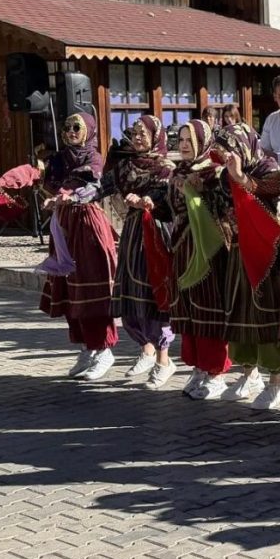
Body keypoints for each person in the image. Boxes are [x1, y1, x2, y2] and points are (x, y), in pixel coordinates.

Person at [82, 115, 176, 383]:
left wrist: (149, 201)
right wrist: (73, 198)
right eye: (134, 133)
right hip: (133, 234)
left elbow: (168, 200)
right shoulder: (125, 167)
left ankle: (164, 360)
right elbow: (101, 187)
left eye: (143, 134)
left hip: (156, 233)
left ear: (156, 137)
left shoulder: (165, 168)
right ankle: (146, 349)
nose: (137, 138)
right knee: (133, 293)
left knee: (153, 291)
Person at [36, 113, 119, 379]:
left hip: (87, 227)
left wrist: (64, 195)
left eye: (77, 128)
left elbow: (86, 180)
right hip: (63, 228)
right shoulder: (57, 160)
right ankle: (87, 348)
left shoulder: (92, 157)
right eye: (67, 127)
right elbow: (46, 185)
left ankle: (104, 349)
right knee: (69, 290)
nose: (71, 132)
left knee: (91, 289)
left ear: (89, 131)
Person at [214, 125, 280, 410]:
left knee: (264, 313)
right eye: (221, 148)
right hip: (238, 249)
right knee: (238, 310)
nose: (224, 154)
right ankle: (248, 372)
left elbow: (268, 202)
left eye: (228, 147)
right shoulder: (225, 174)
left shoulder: (269, 169)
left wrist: (240, 177)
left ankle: (276, 381)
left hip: (266, 251)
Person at [165, 120, 233, 398]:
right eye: (180, 139)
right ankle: (198, 368)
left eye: (189, 141)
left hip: (206, 246)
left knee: (207, 308)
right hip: (182, 245)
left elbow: (222, 207)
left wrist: (198, 190)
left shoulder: (212, 174)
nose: (183, 145)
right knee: (187, 308)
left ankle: (216, 372)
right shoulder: (176, 172)